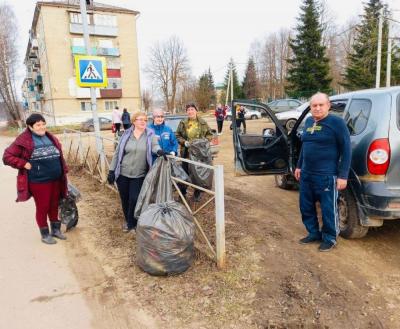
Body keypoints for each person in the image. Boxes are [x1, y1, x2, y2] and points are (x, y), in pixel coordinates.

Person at [294, 92, 351, 252]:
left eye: (321, 105)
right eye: (314, 105)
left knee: (328, 209)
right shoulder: (309, 121)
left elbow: (346, 150)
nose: (317, 108)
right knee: (305, 206)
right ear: (310, 107)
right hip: (306, 174)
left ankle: (330, 238)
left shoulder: (337, 123)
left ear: (328, 106)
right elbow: (305, 146)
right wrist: (299, 166)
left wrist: (343, 176)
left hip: (326, 176)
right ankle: (313, 233)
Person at [2, 113, 68, 244]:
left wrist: (63, 170)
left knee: (54, 205)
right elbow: (7, 157)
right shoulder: (24, 140)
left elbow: (59, 156)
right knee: (43, 206)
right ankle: (45, 234)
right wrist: (23, 163)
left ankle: (56, 230)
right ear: (30, 127)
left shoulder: (51, 137)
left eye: (43, 124)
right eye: (38, 125)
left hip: (56, 178)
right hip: (38, 181)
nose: (42, 127)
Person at [107, 111, 161, 232]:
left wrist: (159, 151)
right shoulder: (125, 135)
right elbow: (117, 154)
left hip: (139, 174)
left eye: (145, 120)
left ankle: (133, 223)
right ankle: (128, 221)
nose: (143, 122)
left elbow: (155, 146)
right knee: (125, 199)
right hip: (123, 174)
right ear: (134, 121)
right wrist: (111, 171)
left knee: (135, 199)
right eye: (140, 119)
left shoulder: (150, 135)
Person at [176, 102, 213, 202]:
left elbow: (210, 135)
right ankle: (182, 193)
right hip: (186, 153)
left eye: (192, 109)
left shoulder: (203, 122)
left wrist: (203, 142)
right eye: (188, 110)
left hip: (199, 154)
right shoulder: (183, 122)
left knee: (198, 174)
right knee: (184, 173)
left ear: (196, 110)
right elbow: (177, 135)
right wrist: (184, 142)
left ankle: (198, 192)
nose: (190, 111)